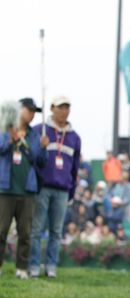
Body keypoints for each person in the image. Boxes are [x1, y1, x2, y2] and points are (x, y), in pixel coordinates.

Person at [29, 96, 81, 278]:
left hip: (62, 189)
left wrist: (72, 190)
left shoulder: (74, 137)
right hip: (42, 187)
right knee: (36, 229)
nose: (64, 111)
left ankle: (51, 266)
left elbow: (75, 167)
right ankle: (34, 265)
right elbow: (33, 159)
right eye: (60, 107)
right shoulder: (39, 130)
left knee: (56, 232)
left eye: (67, 107)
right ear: (52, 108)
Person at [0, 98, 46, 278]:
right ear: (20, 110)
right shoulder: (5, 128)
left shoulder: (35, 135)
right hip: (5, 189)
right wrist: (10, 140)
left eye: (35, 111)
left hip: (27, 190)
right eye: (30, 110)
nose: (32, 114)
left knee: (25, 232)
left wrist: (43, 148)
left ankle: (22, 268)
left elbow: (41, 162)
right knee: (1, 230)